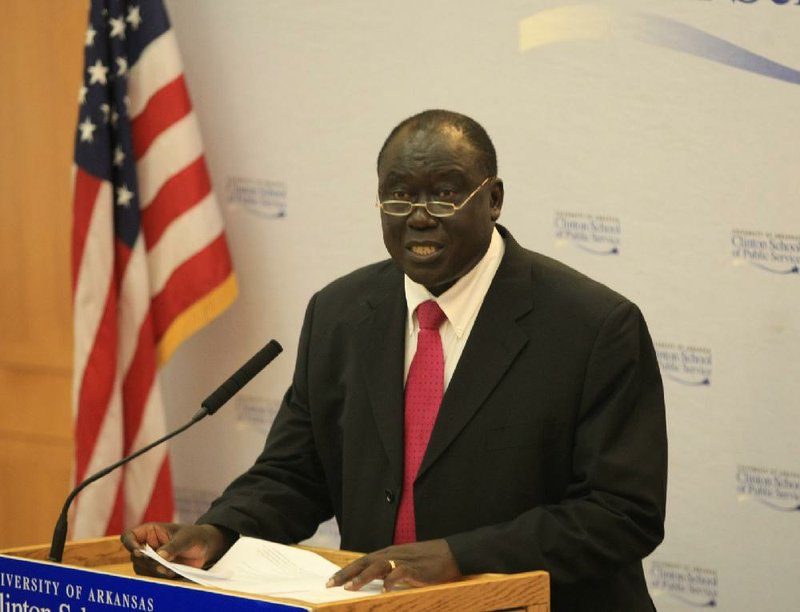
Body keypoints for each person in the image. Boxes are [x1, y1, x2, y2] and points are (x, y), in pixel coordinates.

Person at [122, 109, 667, 611]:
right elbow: (295, 472)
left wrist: (461, 555)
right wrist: (219, 532)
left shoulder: (592, 326)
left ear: (494, 198)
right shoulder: (340, 312)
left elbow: (622, 513)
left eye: (445, 194)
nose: (420, 218)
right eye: (399, 196)